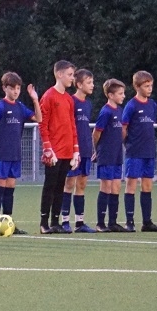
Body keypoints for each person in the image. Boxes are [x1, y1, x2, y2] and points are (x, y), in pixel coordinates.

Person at [0, 72, 40, 235]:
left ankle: (8, 224)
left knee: (10, 188)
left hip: (15, 154)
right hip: (2, 153)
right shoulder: (0, 106)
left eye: (18, 88)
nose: (15, 91)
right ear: (4, 88)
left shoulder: (20, 107)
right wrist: (2, 138)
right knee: (0, 187)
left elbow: (39, 118)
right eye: (12, 88)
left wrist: (35, 99)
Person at [38, 60, 81, 234]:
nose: (72, 78)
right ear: (59, 74)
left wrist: (75, 150)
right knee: (50, 186)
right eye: (70, 75)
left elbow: (72, 125)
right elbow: (43, 124)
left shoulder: (69, 99)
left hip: (67, 150)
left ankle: (55, 222)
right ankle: (44, 223)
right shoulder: (49, 96)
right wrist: (48, 148)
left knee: (60, 187)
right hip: (54, 151)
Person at [121, 70, 157, 232]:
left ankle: (147, 222)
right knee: (131, 185)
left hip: (149, 151)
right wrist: (126, 144)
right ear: (137, 87)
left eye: (151, 85)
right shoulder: (131, 105)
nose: (150, 89)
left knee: (147, 185)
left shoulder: (152, 105)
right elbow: (124, 128)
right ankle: (130, 222)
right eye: (146, 86)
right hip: (135, 151)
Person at [60, 69, 97, 233]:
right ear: (79, 84)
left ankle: (80, 222)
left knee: (82, 185)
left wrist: (92, 148)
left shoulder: (88, 104)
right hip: (73, 151)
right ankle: (64, 221)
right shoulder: (70, 101)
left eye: (92, 82)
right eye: (89, 82)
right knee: (69, 184)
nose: (92, 85)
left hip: (86, 150)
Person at [92, 78, 128, 232]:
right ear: (111, 95)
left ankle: (113, 222)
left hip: (117, 154)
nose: (123, 96)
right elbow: (96, 133)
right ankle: (100, 223)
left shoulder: (120, 111)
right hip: (106, 154)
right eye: (120, 93)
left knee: (116, 187)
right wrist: (97, 150)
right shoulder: (105, 111)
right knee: (106, 186)